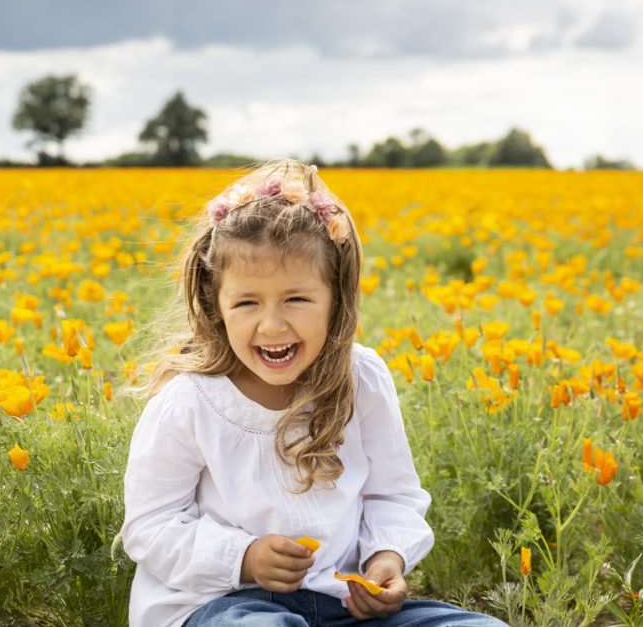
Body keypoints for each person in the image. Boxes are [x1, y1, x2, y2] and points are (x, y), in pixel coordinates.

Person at [121, 159, 507, 627]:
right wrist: (243, 557)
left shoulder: (359, 377)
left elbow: (394, 495)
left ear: (336, 299)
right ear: (216, 306)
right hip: (225, 603)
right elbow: (150, 527)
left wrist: (387, 558)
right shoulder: (190, 402)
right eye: (246, 303)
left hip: (343, 602)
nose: (272, 324)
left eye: (296, 299)